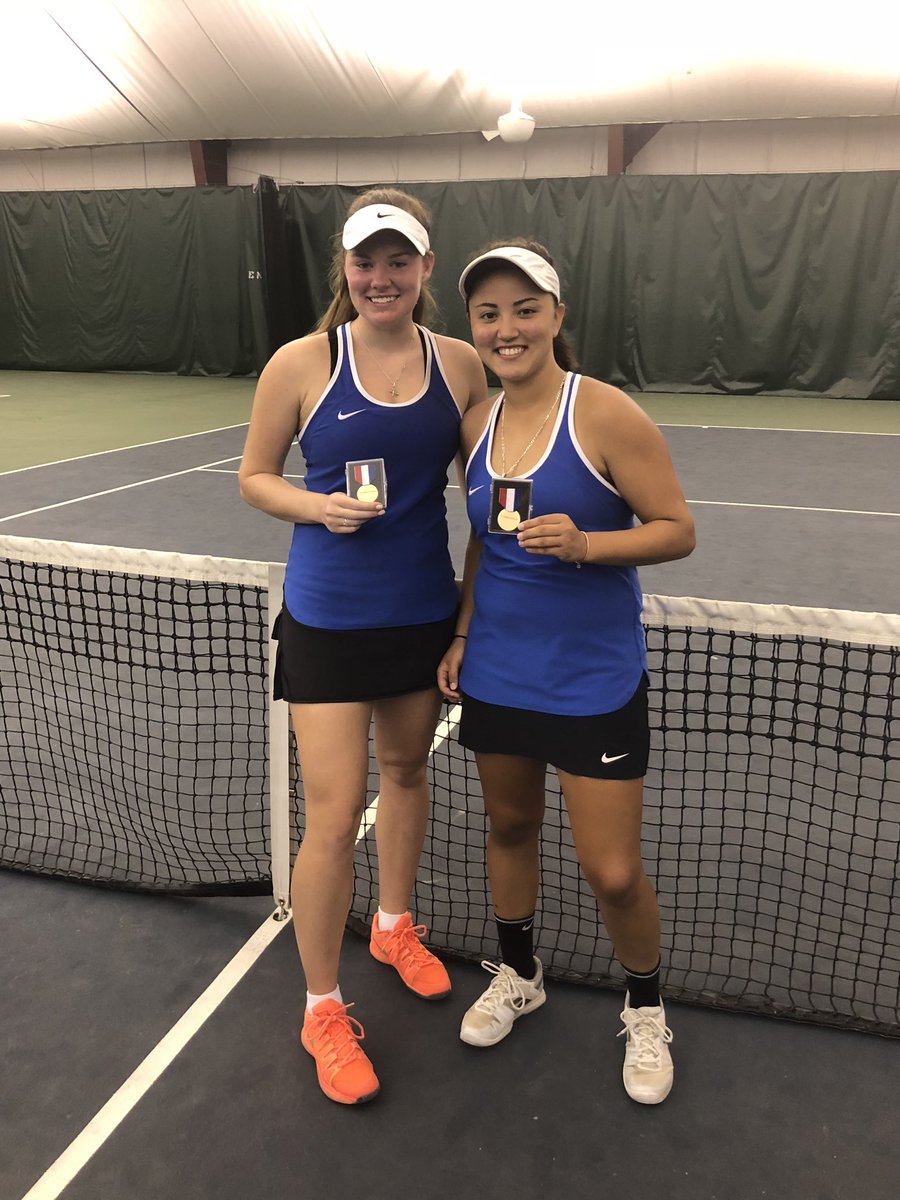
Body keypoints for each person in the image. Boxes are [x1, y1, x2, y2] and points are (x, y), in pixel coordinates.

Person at [239, 188, 487, 1105]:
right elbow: (256, 476)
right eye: (365, 262)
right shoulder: (300, 363)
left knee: (410, 776)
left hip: (421, 616)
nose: (380, 278)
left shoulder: (459, 364)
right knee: (336, 816)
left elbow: (487, 487)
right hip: (329, 621)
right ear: (345, 271)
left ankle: (392, 925)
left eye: (398, 261)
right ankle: (321, 1006)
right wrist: (315, 505)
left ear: (425, 269)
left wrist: (471, 618)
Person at [438, 240, 695, 1105]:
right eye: (487, 314)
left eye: (523, 309)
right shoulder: (475, 424)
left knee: (613, 872)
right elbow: (483, 539)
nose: (505, 329)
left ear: (555, 315)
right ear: (472, 327)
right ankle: (519, 974)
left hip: (593, 679)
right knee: (509, 830)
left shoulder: (607, 414)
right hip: (500, 671)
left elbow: (674, 528)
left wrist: (589, 545)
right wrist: (464, 634)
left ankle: (647, 1006)